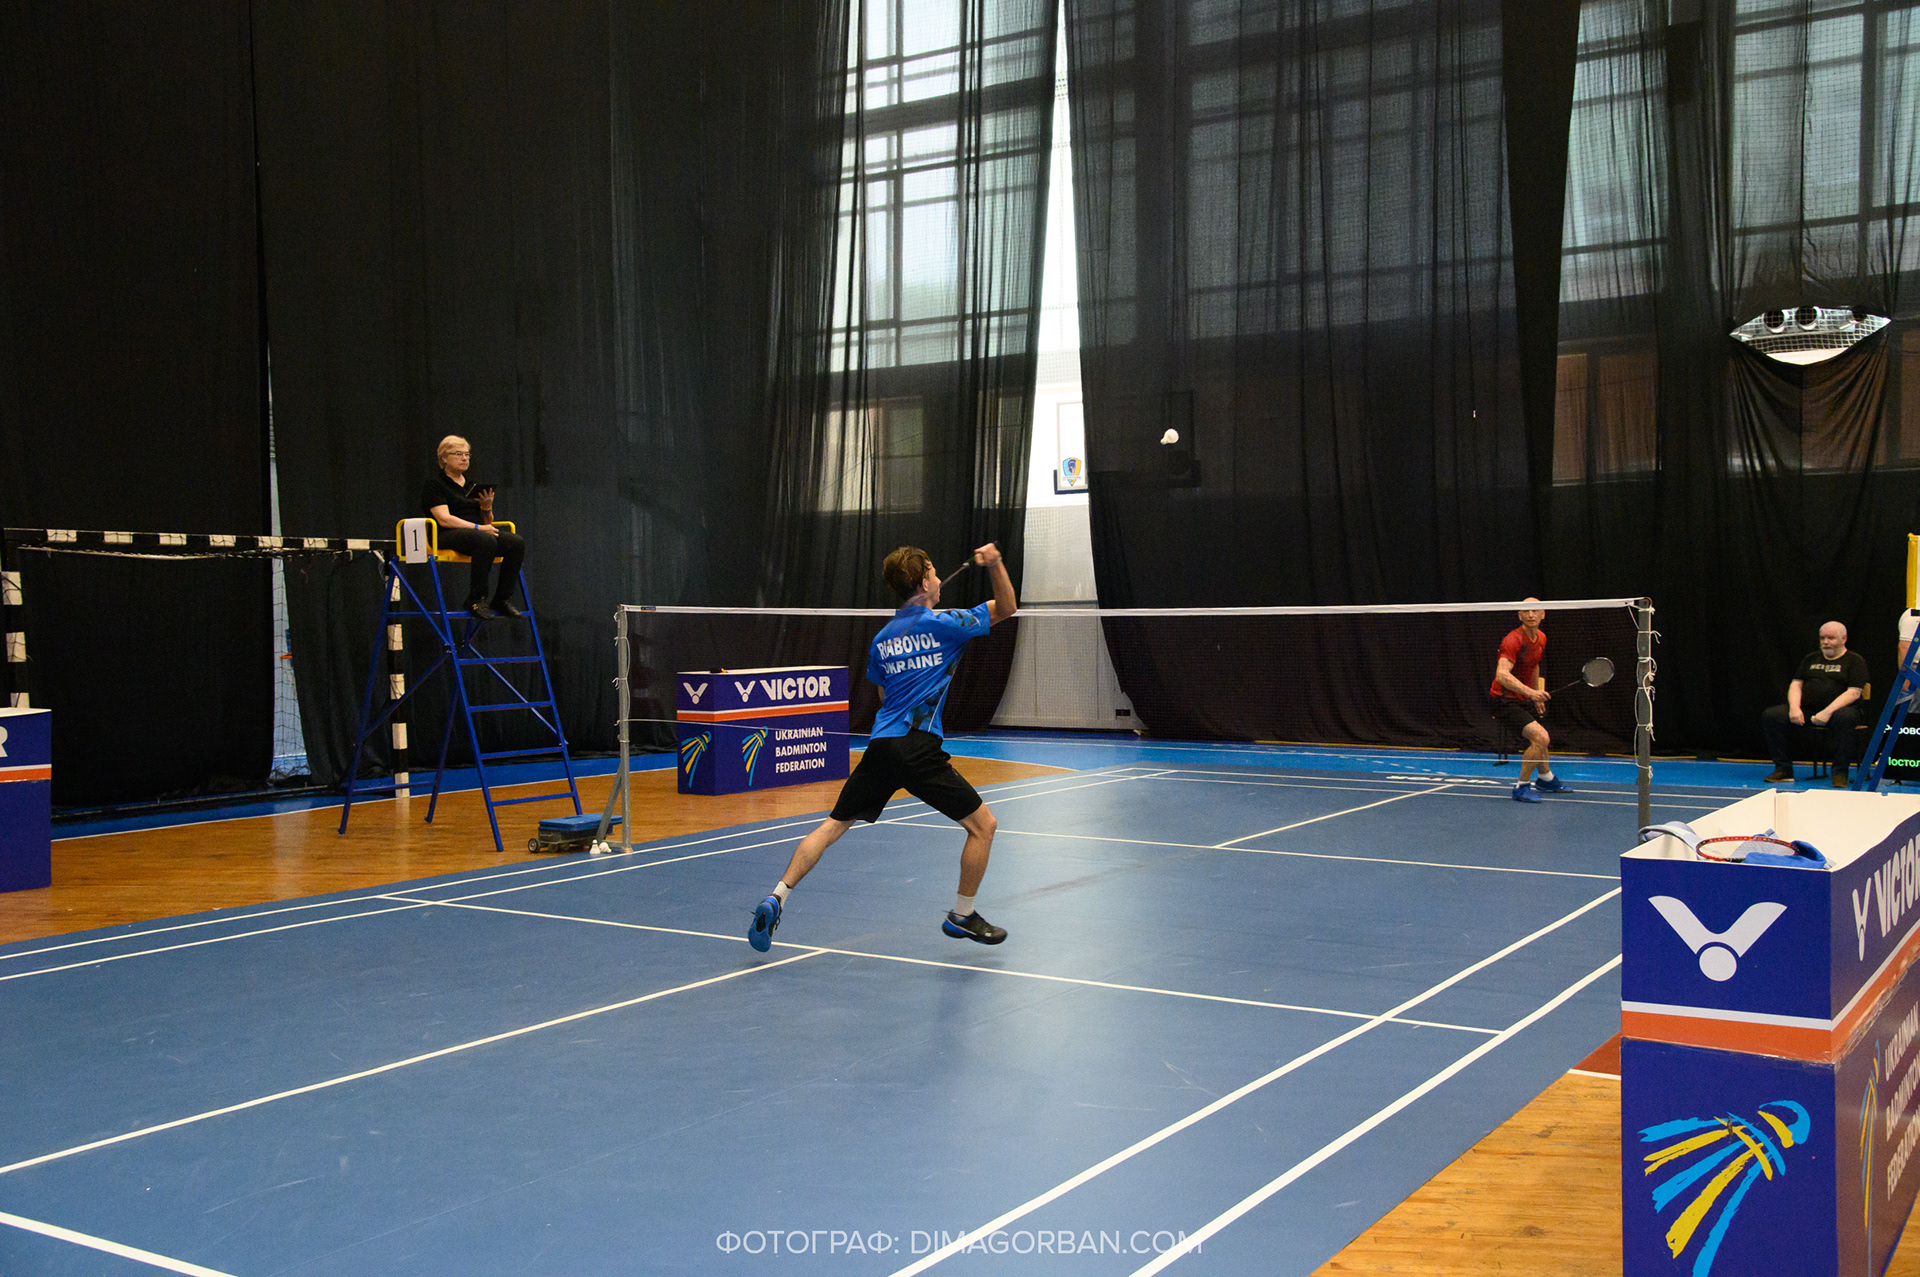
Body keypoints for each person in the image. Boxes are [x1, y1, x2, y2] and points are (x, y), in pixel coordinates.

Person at [748, 542, 1017, 952]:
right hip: (918, 747)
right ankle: (962, 914)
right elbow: (1007, 607)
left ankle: (777, 895)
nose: (939, 577)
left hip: (880, 745)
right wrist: (995, 562)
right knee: (984, 826)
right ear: (924, 582)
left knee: (832, 826)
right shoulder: (947, 623)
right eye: (933, 571)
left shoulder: (882, 639)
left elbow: (882, 694)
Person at [421, 435, 526, 620]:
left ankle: (502, 599)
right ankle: (476, 599)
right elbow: (444, 519)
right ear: (444, 458)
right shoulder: (435, 484)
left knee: (515, 542)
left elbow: (487, 522)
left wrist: (487, 507)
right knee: (484, 539)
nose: (464, 458)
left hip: (475, 533)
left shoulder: (471, 486)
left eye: (467, 454)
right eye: (458, 454)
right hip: (446, 533)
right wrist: (478, 528)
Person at [1763, 621, 1868, 787]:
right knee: (1773, 715)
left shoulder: (1855, 661)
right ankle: (1783, 769)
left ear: (1844, 639)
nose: (1825, 642)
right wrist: (1794, 708)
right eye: (1822, 638)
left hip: (1839, 711)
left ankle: (1840, 773)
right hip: (1808, 710)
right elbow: (1796, 684)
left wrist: (1827, 712)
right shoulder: (1811, 659)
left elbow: (1854, 692)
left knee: (1845, 717)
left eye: (1831, 638)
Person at [1490, 599, 1569, 804]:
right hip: (1504, 700)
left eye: (1535, 611)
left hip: (1523, 697)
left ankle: (1546, 779)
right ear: (1520, 615)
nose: (1531, 614)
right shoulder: (1512, 640)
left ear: (1543, 614)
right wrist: (1531, 693)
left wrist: (1537, 692)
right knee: (1541, 737)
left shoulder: (1541, 638)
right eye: (1526, 611)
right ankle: (1521, 787)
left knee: (1541, 738)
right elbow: (1501, 675)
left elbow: (1534, 665)